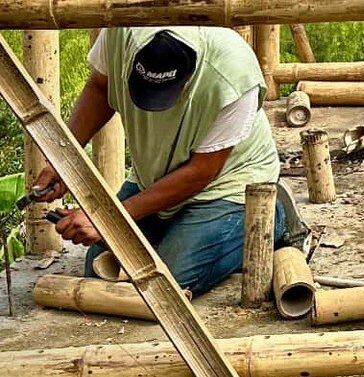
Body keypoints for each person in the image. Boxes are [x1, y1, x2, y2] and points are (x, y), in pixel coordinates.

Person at [28, 26, 302, 296]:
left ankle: (272, 219)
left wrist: (106, 219)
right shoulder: (120, 33)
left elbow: (201, 172)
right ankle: (184, 231)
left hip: (225, 185)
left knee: (168, 280)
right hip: (155, 178)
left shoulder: (234, 73)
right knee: (99, 267)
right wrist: (63, 161)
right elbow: (101, 88)